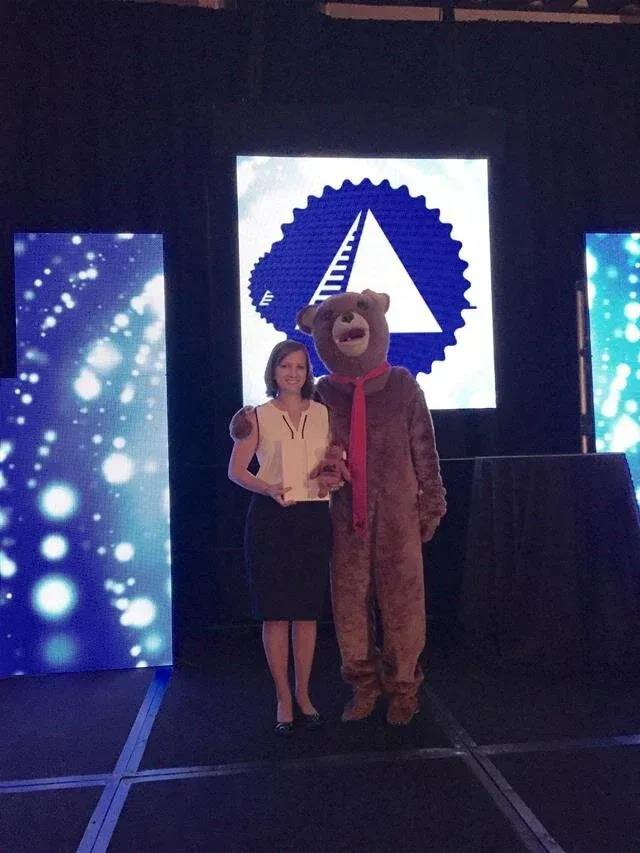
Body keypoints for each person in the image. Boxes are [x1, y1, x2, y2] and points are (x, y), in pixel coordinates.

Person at [228, 340, 333, 735]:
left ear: (308, 374)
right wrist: (268, 486)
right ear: (273, 371)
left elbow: (330, 462)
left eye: (301, 367)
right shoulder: (256, 416)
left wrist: (330, 476)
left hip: (312, 519)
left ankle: (304, 694)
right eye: (286, 366)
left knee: (306, 613)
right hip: (272, 520)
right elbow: (237, 471)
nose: (293, 373)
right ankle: (282, 699)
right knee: (276, 614)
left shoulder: (323, 414)